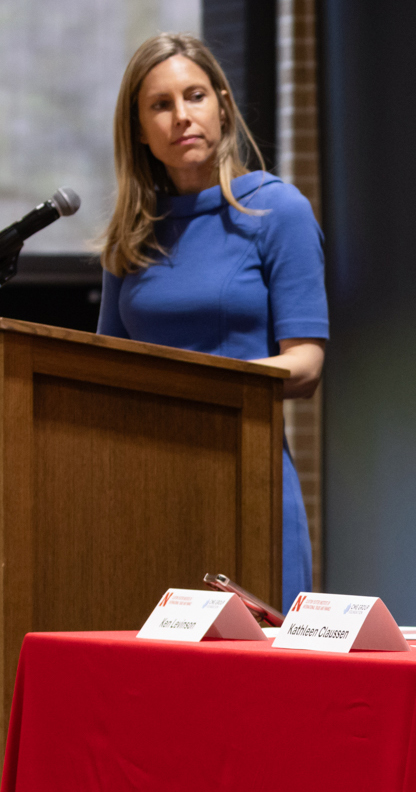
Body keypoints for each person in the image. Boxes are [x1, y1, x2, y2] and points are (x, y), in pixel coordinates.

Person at [96, 33, 324, 612]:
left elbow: (306, 363)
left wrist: (198, 383)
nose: (181, 117)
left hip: (245, 476)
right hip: (144, 486)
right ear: (139, 130)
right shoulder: (130, 235)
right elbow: (102, 367)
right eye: (160, 105)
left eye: (194, 96)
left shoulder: (278, 210)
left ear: (221, 104)